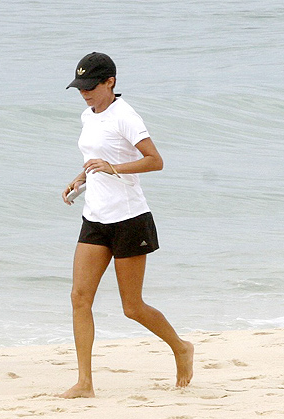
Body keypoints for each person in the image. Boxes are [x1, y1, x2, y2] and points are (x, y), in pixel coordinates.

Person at [59, 52, 194, 398]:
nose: (84, 93)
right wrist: (81, 177)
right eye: (80, 87)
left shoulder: (126, 116)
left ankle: (180, 347)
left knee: (132, 307)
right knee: (79, 297)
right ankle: (85, 382)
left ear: (110, 82)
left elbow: (155, 161)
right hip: (95, 217)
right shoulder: (87, 115)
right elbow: (96, 158)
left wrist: (114, 168)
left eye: (91, 86)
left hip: (129, 219)